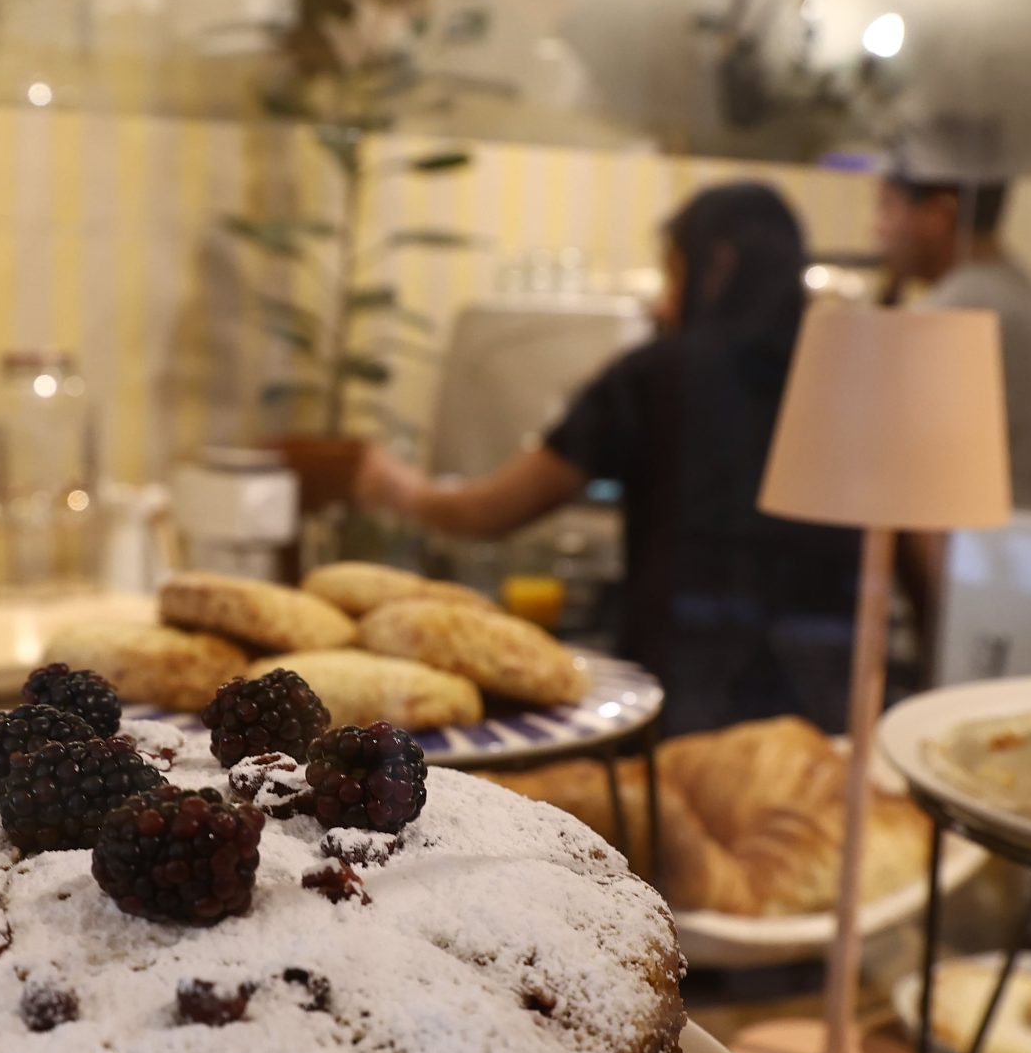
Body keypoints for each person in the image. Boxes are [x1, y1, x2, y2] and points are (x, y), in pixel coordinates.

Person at [355, 181, 862, 735]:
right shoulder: (850, 377)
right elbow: (917, 554)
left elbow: (495, 510)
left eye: (674, 272)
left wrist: (393, 486)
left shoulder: (658, 374)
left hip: (678, 697)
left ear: (718, 265)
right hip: (824, 702)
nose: (664, 302)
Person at [873, 166, 1031, 514]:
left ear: (938, 216)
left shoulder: (952, 312)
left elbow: (911, 482)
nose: (877, 229)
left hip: (977, 555)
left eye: (887, 206)